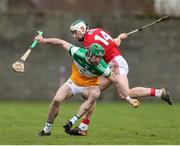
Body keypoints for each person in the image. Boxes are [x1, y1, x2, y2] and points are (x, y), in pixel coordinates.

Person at [67, 19, 173, 136]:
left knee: (125, 93)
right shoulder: (97, 31)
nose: (74, 35)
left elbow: (95, 58)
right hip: (113, 64)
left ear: (82, 29)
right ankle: (83, 128)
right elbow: (111, 44)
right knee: (92, 92)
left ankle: (161, 93)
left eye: (75, 32)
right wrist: (119, 38)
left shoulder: (88, 42)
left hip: (115, 63)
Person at [35, 35, 140, 136]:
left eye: (100, 57)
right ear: (89, 54)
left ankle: (73, 121)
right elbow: (61, 42)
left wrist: (128, 98)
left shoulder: (102, 67)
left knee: (95, 94)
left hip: (90, 87)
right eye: (96, 57)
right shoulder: (77, 53)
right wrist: (44, 40)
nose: (98, 60)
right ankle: (47, 129)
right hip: (73, 83)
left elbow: (116, 81)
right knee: (57, 100)